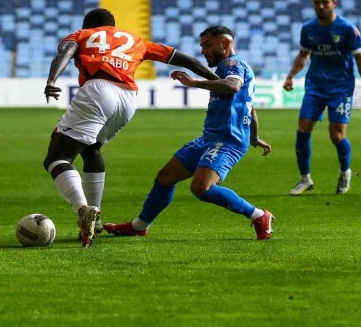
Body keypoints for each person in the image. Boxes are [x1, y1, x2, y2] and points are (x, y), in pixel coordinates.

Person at [43, 8, 219, 247]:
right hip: (127, 100)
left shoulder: (82, 35)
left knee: (57, 157)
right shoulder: (136, 41)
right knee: (91, 149)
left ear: (88, 25)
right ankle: (95, 218)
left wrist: (52, 79)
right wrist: (216, 80)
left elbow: (65, 52)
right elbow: (189, 60)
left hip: (98, 90)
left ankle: (82, 209)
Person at [103, 25, 275, 240]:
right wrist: (254, 136)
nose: (203, 50)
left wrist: (195, 83)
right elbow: (249, 106)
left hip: (227, 140)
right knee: (165, 177)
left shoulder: (232, 64)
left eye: (208, 45)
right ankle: (139, 226)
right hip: (209, 138)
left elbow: (232, 86)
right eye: (201, 46)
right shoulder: (224, 69)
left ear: (225, 43)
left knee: (201, 188)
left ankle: (259, 215)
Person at [283, 0, 361, 196]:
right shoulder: (308, 29)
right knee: (302, 130)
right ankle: (305, 179)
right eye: (317, 3)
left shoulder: (347, 29)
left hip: (340, 89)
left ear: (334, 3)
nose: (321, 6)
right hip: (315, 87)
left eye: (325, 2)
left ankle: (345, 171)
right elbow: (303, 55)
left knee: (337, 135)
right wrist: (290, 76)